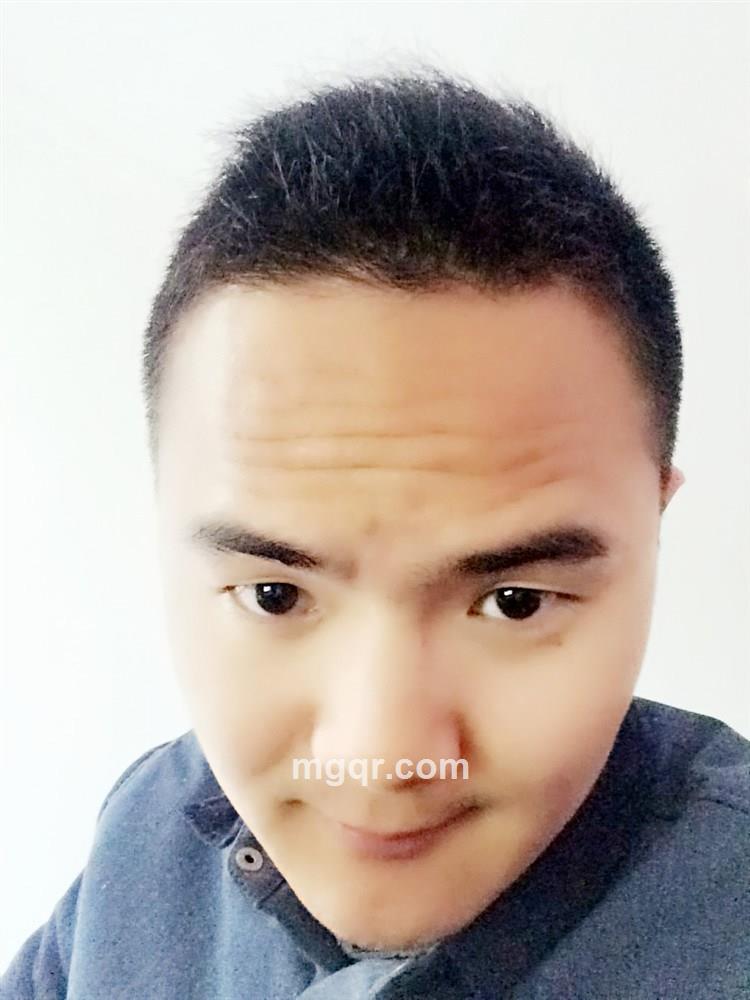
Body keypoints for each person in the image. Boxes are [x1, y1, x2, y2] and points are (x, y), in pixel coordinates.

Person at [3, 70, 748, 1000]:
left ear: (655, 526)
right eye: (275, 594)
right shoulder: (151, 833)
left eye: (515, 603)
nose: (382, 756)